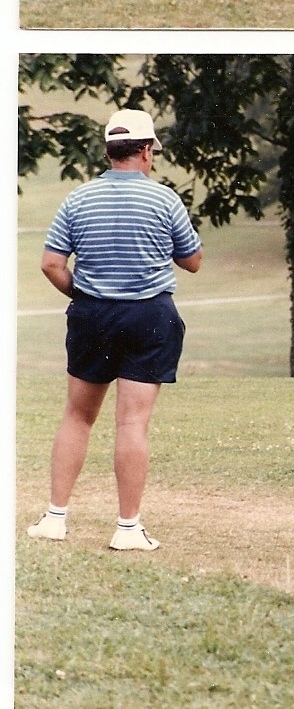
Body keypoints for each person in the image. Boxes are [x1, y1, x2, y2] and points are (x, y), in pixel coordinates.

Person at [27, 110, 202, 551]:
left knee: (78, 415)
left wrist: (83, 295)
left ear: (109, 152)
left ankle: (55, 518)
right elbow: (193, 260)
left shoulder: (78, 198)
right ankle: (127, 530)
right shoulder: (165, 201)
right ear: (145, 151)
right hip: (149, 317)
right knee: (132, 423)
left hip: (92, 315)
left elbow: (51, 264)